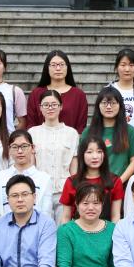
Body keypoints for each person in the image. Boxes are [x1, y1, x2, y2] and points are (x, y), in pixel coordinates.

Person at [29, 89, 80, 218]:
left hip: (64, 190)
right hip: (40, 190)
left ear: (61, 106)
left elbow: (74, 164)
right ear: (40, 107)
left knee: (62, 226)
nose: (50, 108)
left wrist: (74, 187)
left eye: (54, 104)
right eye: (46, 105)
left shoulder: (71, 133)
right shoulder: (33, 133)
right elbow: (31, 164)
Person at [0, 130, 53, 220]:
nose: (20, 151)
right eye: (15, 147)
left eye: (24, 146)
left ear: (33, 148)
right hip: (4, 227)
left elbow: (46, 213)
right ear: (9, 149)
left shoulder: (45, 179)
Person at [59, 135, 124, 223]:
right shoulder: (71, 182)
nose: (95, 156)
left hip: (106, 229)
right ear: (82, 155)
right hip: (77, 230)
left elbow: (115, 215)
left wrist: (112, 231)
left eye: (99, 152)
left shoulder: (114, 181)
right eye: (89, 152)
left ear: (104, 154)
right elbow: (66, 217)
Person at [84, 87, 134, 183]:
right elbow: (81, 160)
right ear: (98, 106)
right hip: (92, 185)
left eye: (113, 103)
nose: (109, 107)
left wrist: (118, 183)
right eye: (104, 103)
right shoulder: (88, 132)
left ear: (120, 105)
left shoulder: (130, 131)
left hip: (121, 184)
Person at [25, 50, 88, 132]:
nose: (58, 68)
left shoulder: (79, 95)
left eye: (61, 64)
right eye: (53, 65)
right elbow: (31, 124)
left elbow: (81, 127)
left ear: (67, 67)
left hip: (70, 139)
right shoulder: (36, 94)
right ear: (47, 68)